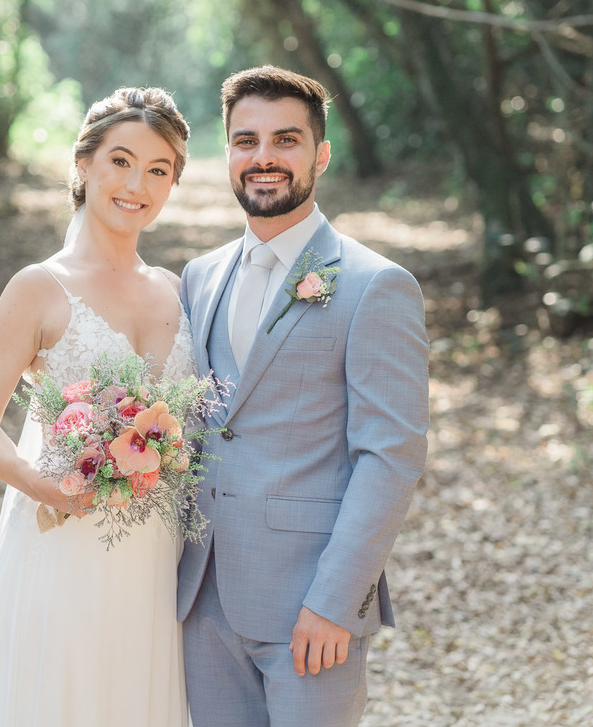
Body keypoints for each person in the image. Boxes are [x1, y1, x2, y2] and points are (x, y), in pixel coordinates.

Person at [177, 65, 430, 726]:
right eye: (245, 141)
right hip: (200, 598)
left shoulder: (376, 286)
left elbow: (391, 457)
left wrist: (334, 600)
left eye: (285, 140)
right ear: (227, 153)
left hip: (308, 607)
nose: (263, 158)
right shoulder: (198, 279)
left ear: (320, 154)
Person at [0, 87, 193, 726]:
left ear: (172, 185)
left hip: (157, 558)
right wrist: (43, 485)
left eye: (158, 170)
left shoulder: (178, 290)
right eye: (121, 160)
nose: (137, 183)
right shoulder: (38, 287)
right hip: (66, 546)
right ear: (84, 165)